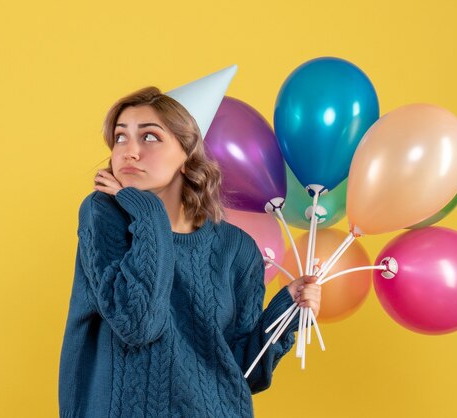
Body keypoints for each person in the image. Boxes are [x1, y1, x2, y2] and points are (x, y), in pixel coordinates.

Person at [59, 78, 321, 418]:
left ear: (187, 154)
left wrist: (287, 312)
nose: (129, 150)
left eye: (149, 136)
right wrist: (145, 208)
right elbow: (137, 323)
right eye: (120, 136)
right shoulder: (103, 215)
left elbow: (240, 371)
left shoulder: (237, 248)